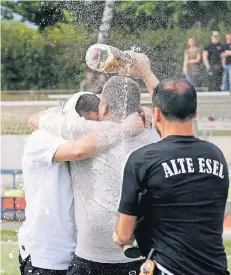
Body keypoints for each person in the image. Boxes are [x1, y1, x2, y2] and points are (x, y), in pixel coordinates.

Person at [32, 72, 160, 275]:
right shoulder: (153, 136)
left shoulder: (87, 131)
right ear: (137, 110)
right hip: (140, 255)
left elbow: (41, 120)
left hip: (92, 257)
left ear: (104, 107)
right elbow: (169, 108)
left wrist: (44, 116)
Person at [114, 68, 229, 274]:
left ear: (157, 114)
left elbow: (124, 234)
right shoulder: (216, 155)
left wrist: (120, 237)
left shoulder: (142, 159)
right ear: (195, 112)